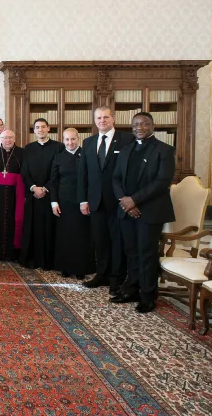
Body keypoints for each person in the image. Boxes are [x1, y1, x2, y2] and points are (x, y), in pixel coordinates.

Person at [111, 112, 175, 313]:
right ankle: (132, 289)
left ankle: (148, 295)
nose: (140, 127)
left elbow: (162, 182)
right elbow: (116, 179)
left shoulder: (164, 150)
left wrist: (134, 200)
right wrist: (125, 201)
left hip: (151, 211)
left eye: (144, 124)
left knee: (146, 253)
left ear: (152, 126)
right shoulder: (126, 149)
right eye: (136, 124)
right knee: (131, 252)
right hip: (127, 210)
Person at [78, 106, 135, 294]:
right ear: (95, 121)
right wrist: (83, 200)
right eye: (99, 118)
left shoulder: (127, 140)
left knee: (117, 241)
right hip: (95, 201)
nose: (102, 120)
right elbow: (83, 174)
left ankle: (116, 278)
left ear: (113, 119)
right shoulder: (88, 142)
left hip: (119, 201)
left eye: (105, 117)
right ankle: (101, 274)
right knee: (100, 240)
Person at [19, 118, 64, 269]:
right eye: (37, 127)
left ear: (48, 129)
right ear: (34, 130)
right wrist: (33, 187)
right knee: (33, 228)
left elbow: (58, 172)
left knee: (49, 228)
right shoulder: (28, 148)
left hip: (50, 195)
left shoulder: (59, 147)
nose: (40, 130)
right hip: (33, 195)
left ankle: (48, 262)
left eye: (43, 127)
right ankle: (32, 260)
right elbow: (24, 172)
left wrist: (44, 188)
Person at [50, 128, 94, 279]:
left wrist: (86, 200)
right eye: (67, 140)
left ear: (78, 138)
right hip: (64, 202)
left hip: (83, 202)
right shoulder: (58, 157)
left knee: (82, 236)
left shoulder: (87, 155)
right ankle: (66, 267)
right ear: (63, 140)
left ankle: (81, 268)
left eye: (73, 139)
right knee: (65, 236)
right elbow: (53, 182)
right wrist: (54, 202)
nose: (70, 143)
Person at [0, 130, 25, 261]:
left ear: (14, 139)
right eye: (5, 138)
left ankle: (12, 252)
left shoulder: (22, 153)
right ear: (0, 139)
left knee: (13, 221)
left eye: (10, 138)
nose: (8, 140)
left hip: (16, 193)